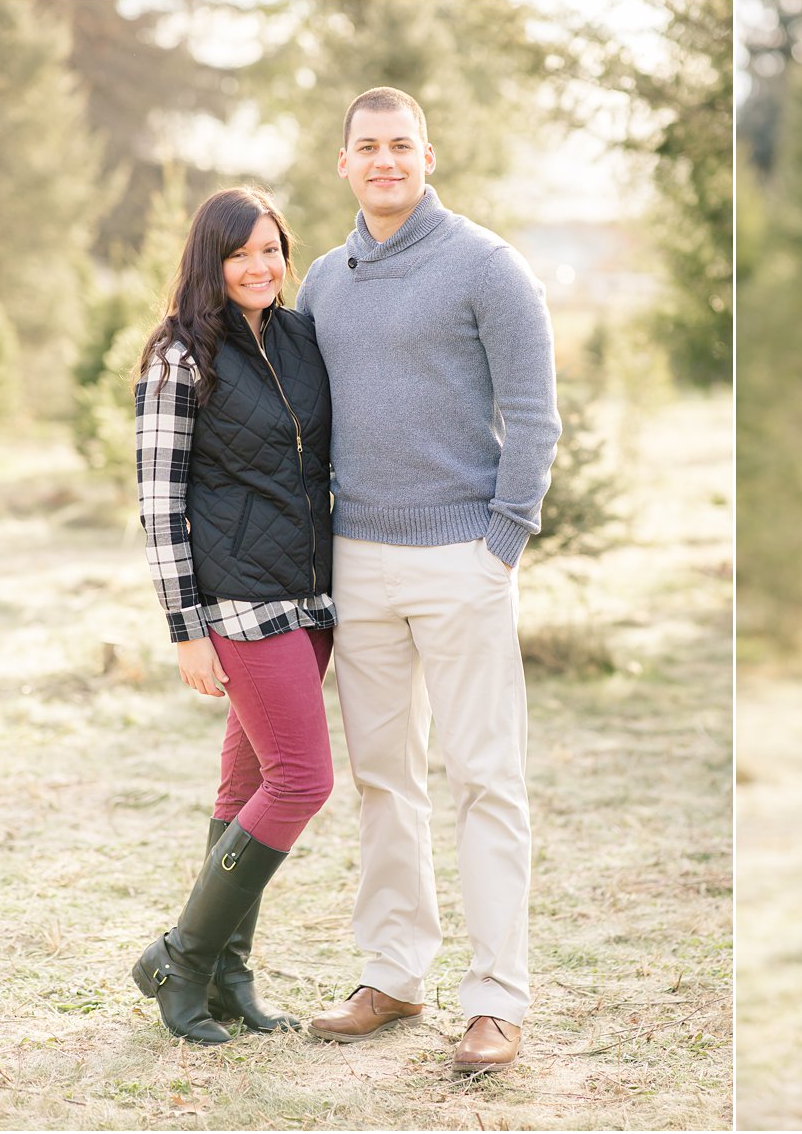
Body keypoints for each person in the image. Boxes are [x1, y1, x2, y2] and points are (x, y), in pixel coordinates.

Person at [294, 86, 561, 1075]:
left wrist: (502, 543)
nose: (385, 161)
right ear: (344, 162)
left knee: (485, 779)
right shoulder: (323, 280)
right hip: (355, 559)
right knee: (382, 778)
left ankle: (494, 1000)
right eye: (367, 147)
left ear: (428, 156)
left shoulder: (486, 267)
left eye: (400, 145)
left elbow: (534, 417)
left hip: (462, 558)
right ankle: (394, 970)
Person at [131, 186, 336, 1045]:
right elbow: (158, 500)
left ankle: (224, 976)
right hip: (242, 603)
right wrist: (185, 627)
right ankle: (182, 953)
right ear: (209, 261)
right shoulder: (180, 356)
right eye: (240, 253)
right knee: (303, 778)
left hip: (314, 593)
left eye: (272, 249)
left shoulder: (298, 338)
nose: (260, 267)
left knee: (247, 785)